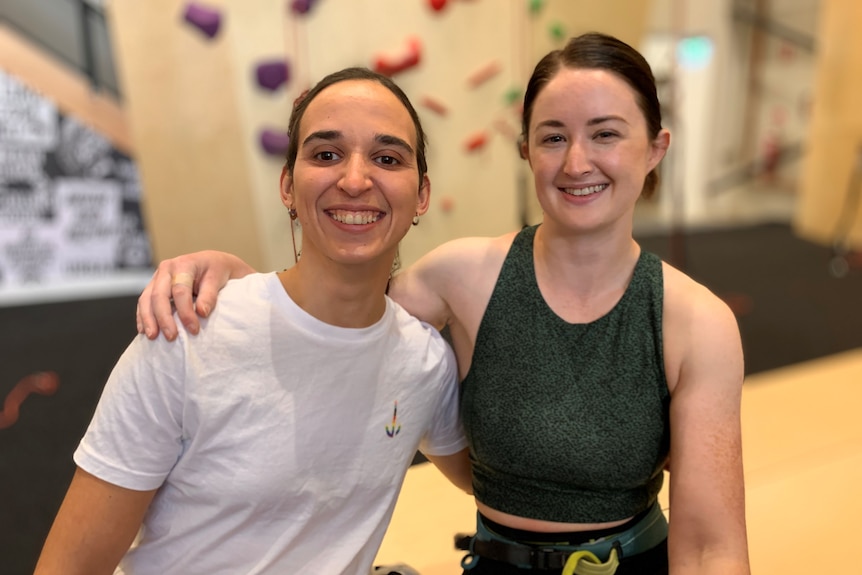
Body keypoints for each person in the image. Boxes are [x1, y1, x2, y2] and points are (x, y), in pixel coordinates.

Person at [137, 33, 750, 575]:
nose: (576, 162)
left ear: (655, 148)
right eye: (553, 137)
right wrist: (239, 282)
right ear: (526, 151)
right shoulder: (461, 279)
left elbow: (710, 551)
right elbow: (331, 311)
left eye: (606, 134)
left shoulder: (696, 323)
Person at [34, 67, 471, 575]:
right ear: (288, 185)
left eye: (387, 158)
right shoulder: (188, 336)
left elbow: (507, 482)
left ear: (421, 194)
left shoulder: (424, 364)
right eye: (326, 154)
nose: (355, 180)